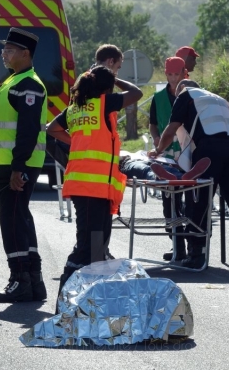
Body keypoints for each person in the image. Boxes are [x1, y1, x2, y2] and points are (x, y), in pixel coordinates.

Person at [47, 66, 142, 295]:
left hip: (91, 186)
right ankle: (67, 290)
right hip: (91, 186)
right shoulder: (104, 103)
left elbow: (52, 129)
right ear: (107, 88)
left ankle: (92, 294)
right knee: (87, 245)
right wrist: (116, 79)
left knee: (98, 244)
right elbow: (136, 93)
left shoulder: (75, 108)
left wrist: (77, 142)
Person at [150, 79, 229, 270]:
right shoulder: (215, 98)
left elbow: (171, 129)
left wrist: (159, 150)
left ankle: (197, 254)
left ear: (181, 90)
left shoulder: (184, 95)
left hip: (209, 150)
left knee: (199, 199)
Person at [0, 28, 47, 303]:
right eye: (4, 49)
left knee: (12, 221)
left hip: (16, 165)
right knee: (19, 218)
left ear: (26, 53)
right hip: (8, 163)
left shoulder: (28, 84)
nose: (4, 54)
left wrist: (17, 167)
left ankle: (20, 279)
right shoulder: (14, 81)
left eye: (10, 50)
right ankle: (33, 281)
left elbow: (27, 129)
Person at [150, 56, 188, 261]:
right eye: (170, 75)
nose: (173, 79)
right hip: (166, 158)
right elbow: (153, 123)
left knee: (191, 202)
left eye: (177, 74)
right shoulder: (157, 98)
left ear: (184, 74)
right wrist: (156, 138)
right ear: (166, 74)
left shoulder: (192, 94)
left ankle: (193, 246)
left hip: (189, 156)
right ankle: (177, 246)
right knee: (169, 203)